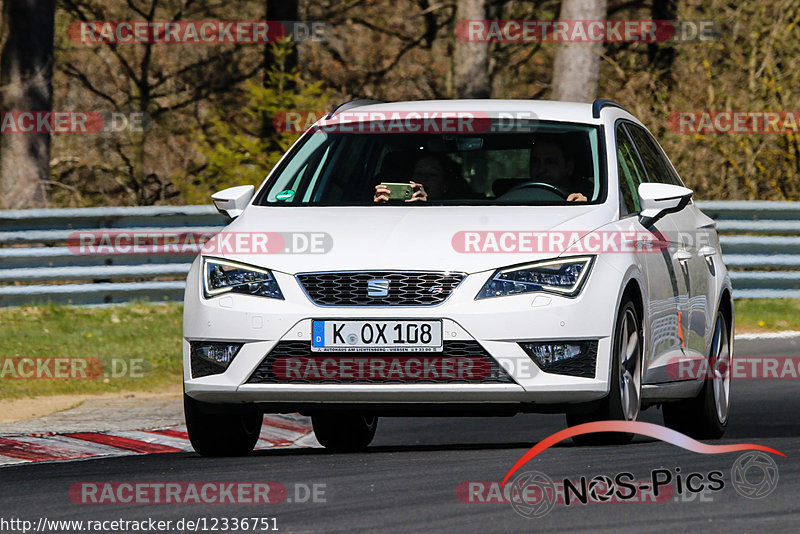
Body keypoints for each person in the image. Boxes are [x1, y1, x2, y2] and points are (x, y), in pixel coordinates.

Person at [373, 153, 450, 203]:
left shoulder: (453, 211)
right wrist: (378, 206)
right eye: (419, 173)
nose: (424, 178)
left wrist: (427, 204)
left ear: (444, 185)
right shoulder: (395, 207)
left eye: (432, 174)